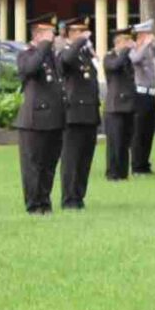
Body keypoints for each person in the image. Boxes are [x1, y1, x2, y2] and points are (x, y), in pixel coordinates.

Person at [17, 13, 65, 214]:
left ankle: (45, 202)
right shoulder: (27, 54)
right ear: (37, 35)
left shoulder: (52, 56)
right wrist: (44, 46)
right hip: (34, 120)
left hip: (54, 118)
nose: (52, 36)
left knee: (49, 165)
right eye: (48, 32)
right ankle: (33, 204)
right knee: (33, 165)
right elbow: (30, 69)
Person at [58, 16, 100, 210]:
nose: (85, 35)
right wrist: (81, 41)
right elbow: (66, 60)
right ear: (71, 34)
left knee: (84, 159)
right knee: (72, 159)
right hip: (73, 114)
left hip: (89, 113)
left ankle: (79, 196)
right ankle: (69, 198)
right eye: (80, 32)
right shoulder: (66, 52)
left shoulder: (84, 55)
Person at [129, 19, 155, 174]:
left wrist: (152, 45)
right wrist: (144, 44)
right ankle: (136, 165)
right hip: (140, 94)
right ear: (141, 35)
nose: (150, 37)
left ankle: (144, 164)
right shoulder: (135, 49)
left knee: (148, 131)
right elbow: (134, 60)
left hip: (151, 94)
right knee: (139, 131)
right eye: (147, 34)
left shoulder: (150, 49)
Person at [103, 28, 136, 180]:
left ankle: (122, 172)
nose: (129, 45)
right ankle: (112, 172)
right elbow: (115, 66)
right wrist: (124, 51)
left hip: (128, 104)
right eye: (126, 42)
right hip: (115, 106)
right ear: (118, 43)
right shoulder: (109, 57)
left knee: (125, 141)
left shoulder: (127, 58)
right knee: (114, 142)